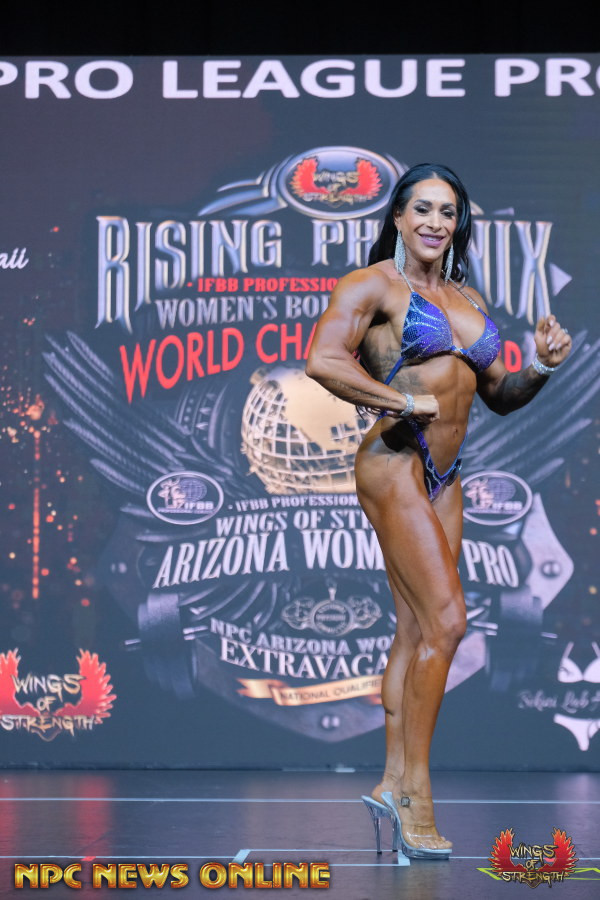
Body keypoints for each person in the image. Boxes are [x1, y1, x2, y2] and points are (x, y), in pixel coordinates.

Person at [305, 163, 572, 860]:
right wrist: (399, 400)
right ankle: (416, 795)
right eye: (421, 208)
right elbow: (323, 360)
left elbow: (499, 394)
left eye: (447, 212)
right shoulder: (372, 286)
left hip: (445, 477)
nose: (434, 221)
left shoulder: (467, 298)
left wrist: (541, 367)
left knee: (417, 630)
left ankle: (391, 781)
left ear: (458, 224)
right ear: (397, 216)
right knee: (449, 623)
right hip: (393, 462)